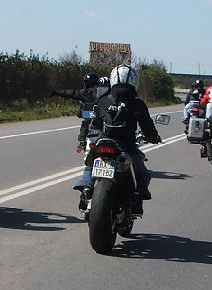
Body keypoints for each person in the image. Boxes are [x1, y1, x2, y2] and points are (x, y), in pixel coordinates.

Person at [90, 65, 161, 210]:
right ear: (134, 81)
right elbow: (147, 126)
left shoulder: (103, 100)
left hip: (103, 142)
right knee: (143, 174)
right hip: (126, 146)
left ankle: (86, 187)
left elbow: (95, 123)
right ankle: (138, 195)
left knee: (89, 165)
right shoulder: (137, 104)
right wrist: (154, 138)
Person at [52, 72, 111, 151]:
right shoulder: (111, 94)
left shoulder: (87, 92)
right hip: (99, 119)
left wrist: (57, 92)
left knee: (86, 121)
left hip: (93, 118)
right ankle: (83, 141)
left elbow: (72, 93)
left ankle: (82, 141)